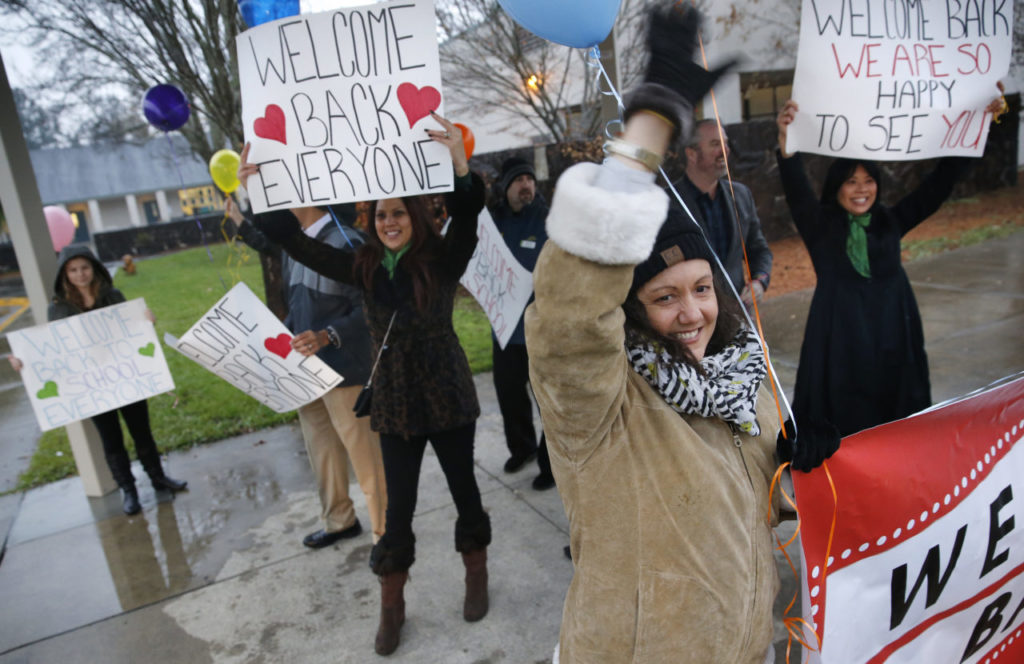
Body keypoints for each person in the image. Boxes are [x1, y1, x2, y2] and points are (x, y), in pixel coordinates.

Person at [525, 7, 793, 662]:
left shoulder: (743, 380)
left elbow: (756, 505)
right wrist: (647, 132)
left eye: (702, 290)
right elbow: (567, 320)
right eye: (664, 297)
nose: (693, 312)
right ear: (633, 310)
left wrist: (798, 473)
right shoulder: (599, 405)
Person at [246, 112, 491, 656]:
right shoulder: (363, 267)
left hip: (448, 397)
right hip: (397, 405)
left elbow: (469, 214)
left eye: (398, 213)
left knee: (464, 493)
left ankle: (476, 573)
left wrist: (459, 168)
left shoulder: (443, 258)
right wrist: (261, 188)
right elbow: (298, 243)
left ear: (414, 218)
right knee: (396, 509)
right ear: (372, 220)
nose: (389, 222)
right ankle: (391, 605)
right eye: (381, 215)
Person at [774, 93, 1004, 470]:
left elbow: (940, 183)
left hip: (892, 330)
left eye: (868, 180)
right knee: (841, 413)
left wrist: (983, 125)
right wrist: (786, 143)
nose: (861, 188)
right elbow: (796, 187)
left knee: (893, 407)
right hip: (840, 336)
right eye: (851, 181)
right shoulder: (820, 226)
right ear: (837, 188)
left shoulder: (890, 222)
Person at [225, 172, 387, 550]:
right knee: (322, 449)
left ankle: (386, 532)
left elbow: (374, 306)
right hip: (303, 370)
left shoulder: (350, 241)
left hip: (346, 369)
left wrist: (328, 335)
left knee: (366, 457)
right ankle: (339, 521)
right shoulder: (293, 245)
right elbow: (283, 269)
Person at [8, 246, 187, 515]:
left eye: (85, 268)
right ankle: (129, 490)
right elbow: (51, 350)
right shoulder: (58, 309)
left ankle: (158, 478)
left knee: (142, 432)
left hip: (127, 377)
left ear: (94, 269)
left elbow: (132, 331)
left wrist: (146, 321)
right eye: (73, 269)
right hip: (93, 387)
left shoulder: (113, 296)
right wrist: (24, 361)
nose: (80, 274)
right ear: (65, 274)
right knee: (111, 439)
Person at [488, 156, 553, 490]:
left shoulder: (547, 220)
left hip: (540, 332)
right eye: (519, 180)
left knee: (549, 403)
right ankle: (523, 449)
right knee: (510, 397)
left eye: (530, 179)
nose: (526, 185)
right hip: (504, 331)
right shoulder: (492, 220)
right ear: (506, 186)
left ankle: (550, 464)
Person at [675, 118, 773, 307]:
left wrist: (759, 282)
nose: (725, 150)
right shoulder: (668, 204)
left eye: (726, 143)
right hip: (690, 320)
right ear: (692, 154)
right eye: (715, 144)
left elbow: (759, 250)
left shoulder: (741, 195)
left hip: (739, 315)